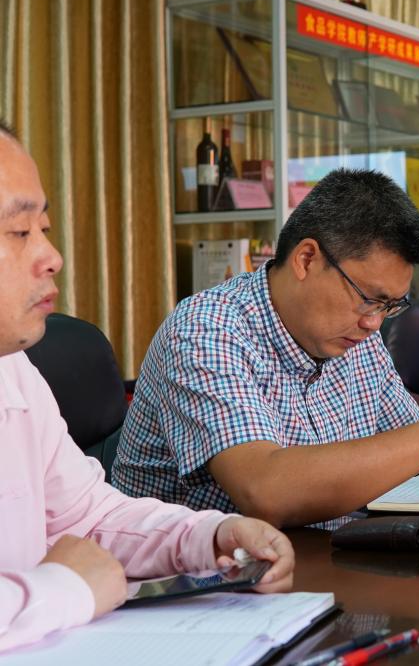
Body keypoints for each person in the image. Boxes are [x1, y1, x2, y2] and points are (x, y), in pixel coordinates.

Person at [0, 122, 294, 652]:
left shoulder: (12, 368)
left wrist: (211, 536)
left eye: (44, 226)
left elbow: (90, 517)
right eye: (20, 232)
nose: (52, 256)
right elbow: (75, 573)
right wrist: (63, 590)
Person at [112, 168, 419, 531]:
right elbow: (265, 490)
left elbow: (411, 451)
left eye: (389, 306)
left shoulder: (356, 336)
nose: (374, 322)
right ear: (307, 259)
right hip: (201, 584)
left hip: (320, 563)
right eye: (369, 299)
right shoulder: (207, 329)